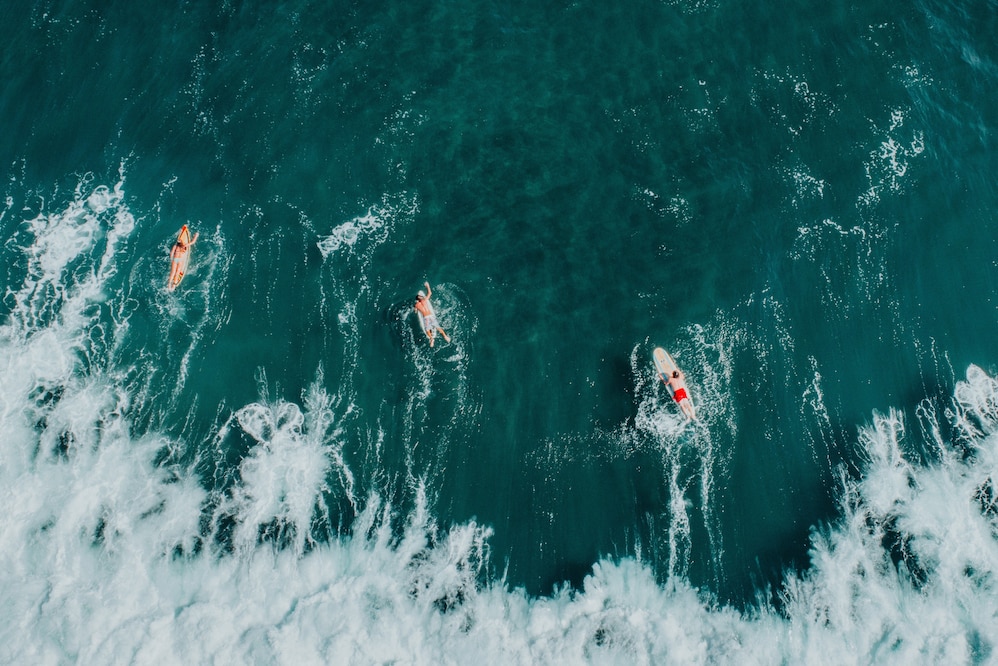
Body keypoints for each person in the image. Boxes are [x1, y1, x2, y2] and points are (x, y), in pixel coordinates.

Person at [414, 281, 450, 347]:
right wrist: (427, 286)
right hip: (431, 316)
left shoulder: (416, 305)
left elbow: (415, 312)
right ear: (421, 298)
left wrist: (416, 309)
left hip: (425, 318)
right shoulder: (425, 300)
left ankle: (431, 339)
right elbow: (430, 293)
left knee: (427, 330)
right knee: (438, 327)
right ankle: (445, 336)